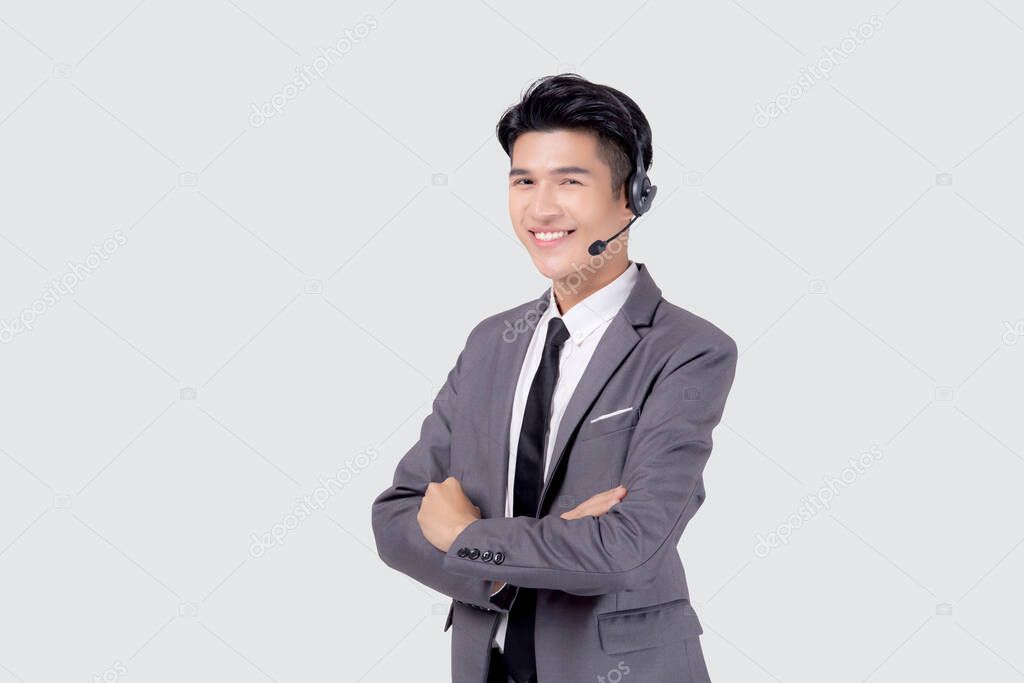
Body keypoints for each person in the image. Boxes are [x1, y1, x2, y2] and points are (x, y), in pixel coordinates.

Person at [371, 73, 738, 683]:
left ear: (633, 197)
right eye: (523, 181)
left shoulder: (689, 349)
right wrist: (508, 561)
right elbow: (397, 518)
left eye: (570, 180)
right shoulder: (491, 341)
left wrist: (466, 535)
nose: (540, 208)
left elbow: (629, 549)